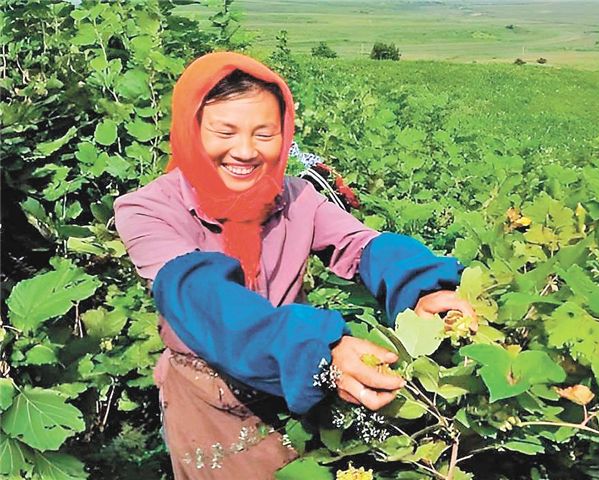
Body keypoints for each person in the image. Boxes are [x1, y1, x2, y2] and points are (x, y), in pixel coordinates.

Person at [113, 52, 475, 478]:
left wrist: (422, 288)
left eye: (264, 134)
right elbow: (201, 297)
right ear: (191, 130)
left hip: (301, 379)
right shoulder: (148, 210)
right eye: (224, 131)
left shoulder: (296, 196)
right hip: (210, 394)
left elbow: (360, 244)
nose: (245, 151)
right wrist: (316, 352)